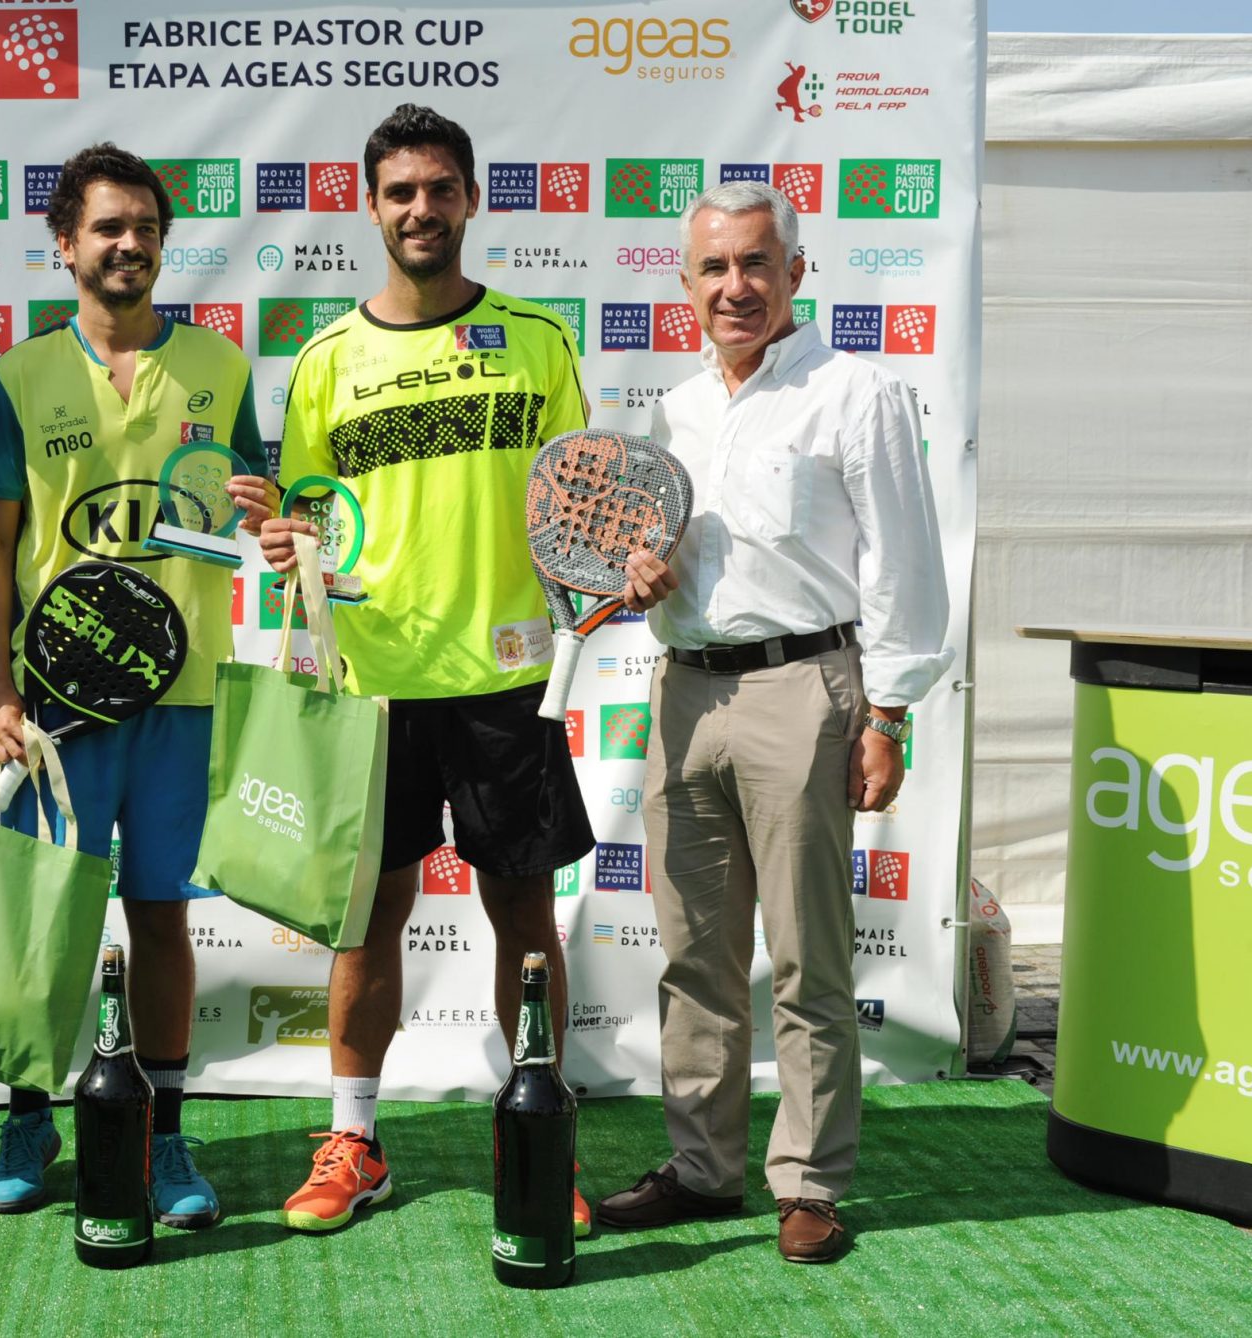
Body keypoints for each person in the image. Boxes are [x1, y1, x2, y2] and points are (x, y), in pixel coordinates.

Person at [593, 180, 952, 1263]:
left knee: (807, 959)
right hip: (683, 694)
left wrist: (887, 713)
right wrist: (642, 573)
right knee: (694, 959)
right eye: (714, 267)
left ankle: (809, 1183)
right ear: (685, 283)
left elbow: (903, 567)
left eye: (756, 262)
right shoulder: (671, 413)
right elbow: (654, 556)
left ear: (795, 270)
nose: (735, 286)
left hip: (806, 690)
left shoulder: (856, 392)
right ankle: (704, 1169)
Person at [257, 104, 596, 1236]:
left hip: (508, 680)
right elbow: (312, 529)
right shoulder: (324, 364)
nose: (420, 209)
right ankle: (353, 1139)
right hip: (374, 688)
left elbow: (576, 505)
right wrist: (288, 546)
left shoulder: (538, 341)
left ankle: (536, 1139)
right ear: (371, 206)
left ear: (469, 200)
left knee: (524, 916)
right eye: (399, 192)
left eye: (439, 188)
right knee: (366, 919)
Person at [0, 143, 270, 1229]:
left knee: (160, 917)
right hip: (60, 703)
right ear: (66, 244)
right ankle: (27, 1117)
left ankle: (164, 1132)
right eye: (107, 227)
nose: (128, 244)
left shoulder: (222, 368)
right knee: (45, 918)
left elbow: (247, 518)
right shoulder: (18, 376)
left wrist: (271, 517)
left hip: (181, 700)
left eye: (144, 227)